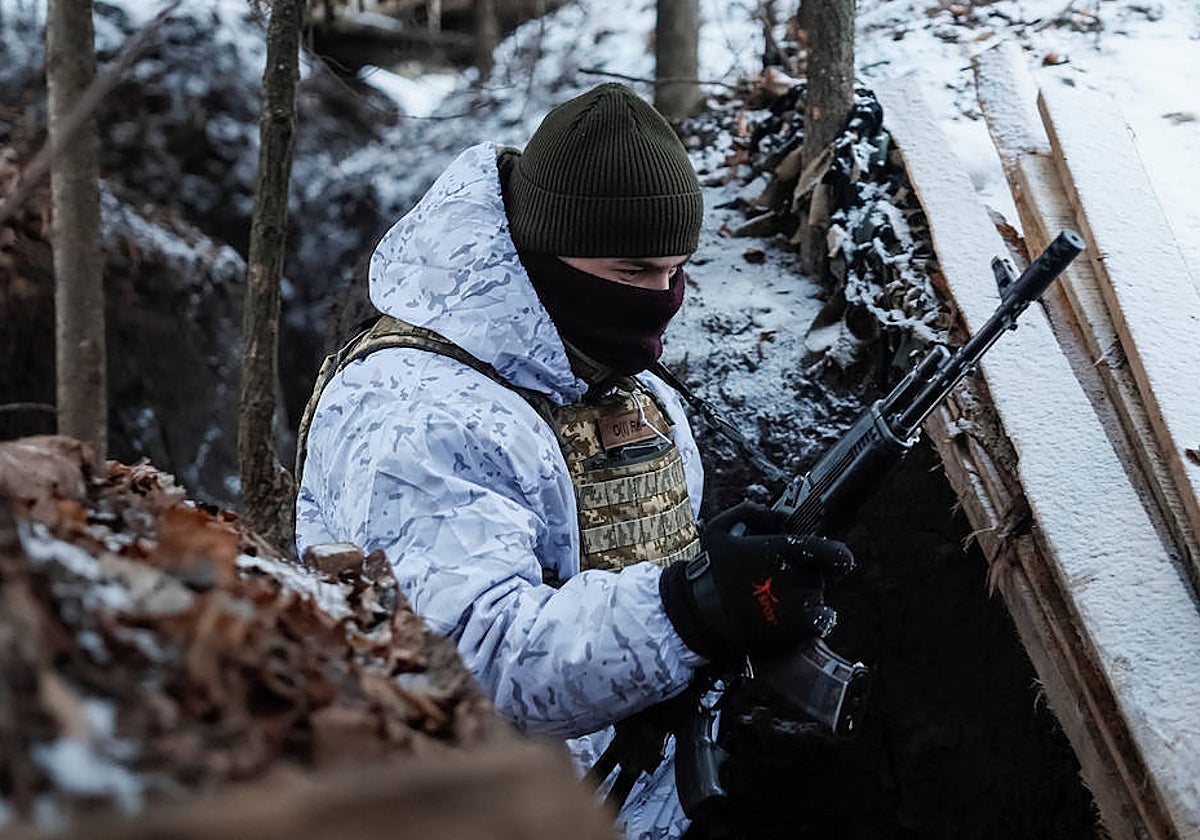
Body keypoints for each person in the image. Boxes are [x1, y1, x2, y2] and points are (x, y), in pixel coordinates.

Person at [295, 82, 853, 839]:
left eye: (676, 271)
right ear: (542, 255)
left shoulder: (605, 372)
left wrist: (721, 582)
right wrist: (688, 610)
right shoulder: (413, 412)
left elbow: (627, 563)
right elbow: (472, 665)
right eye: (633, 273)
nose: (662, 299)